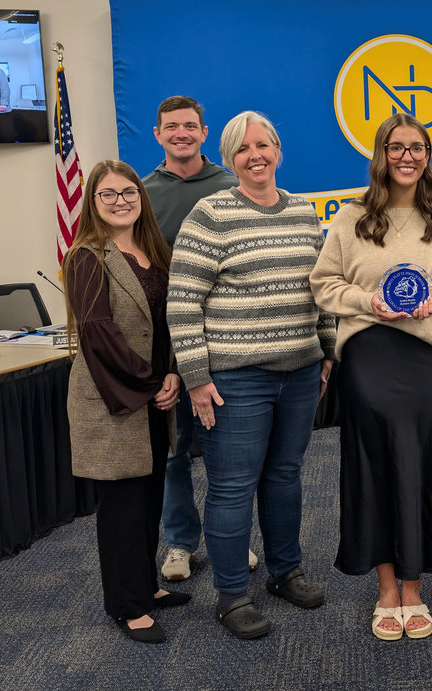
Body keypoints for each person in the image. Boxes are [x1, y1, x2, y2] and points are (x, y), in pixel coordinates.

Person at [168, 110, 336, 640]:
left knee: (285, 476)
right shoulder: (210, 214)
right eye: (243, 149)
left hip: (301, 371)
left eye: (264, 145)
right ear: (230, 158)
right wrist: (196, 377)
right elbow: (181, 302)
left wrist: (326, 349)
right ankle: (232, 594)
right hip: (234, 379)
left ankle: (286, 572)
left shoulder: (304, 212)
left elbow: (322, 287)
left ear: (279, 151)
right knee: (233, 485)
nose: (255, 155)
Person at [310, 113, 432, 641]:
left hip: (424, 356)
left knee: (418, 465)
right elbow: (324, 285)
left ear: (428, 154)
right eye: (397, 147)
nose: (407, 156)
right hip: (367, 356)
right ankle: (385, 589)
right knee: (372, 465)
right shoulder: (350, 217)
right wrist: (368, 303)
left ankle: (414, 587)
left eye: (418, 147)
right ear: (380, 154)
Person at [63, 159, 187, 644]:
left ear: (142, 196)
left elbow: (170, 319)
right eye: (109, 194)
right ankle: (125, 604)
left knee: (151, 496)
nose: (120, 202)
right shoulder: (87, 256)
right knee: (121, 508)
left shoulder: (156, 248)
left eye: (129, 192)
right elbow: (99, 334)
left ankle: (145, 586)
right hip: (114, 398)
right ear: (93, 202)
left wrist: (174, 371)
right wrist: (152, 380)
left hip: (155, 393)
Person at [140, 95, 243, 583]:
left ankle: (232, 538)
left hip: (226, 342)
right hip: (165, 344)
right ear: (157, 134)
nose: (181, 133)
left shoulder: (233, 186)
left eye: (190, 126)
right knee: (175, 451)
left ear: (205, 133)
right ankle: (180, 542)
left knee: (229, 453)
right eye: (171, 127)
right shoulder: (140, 194)